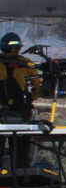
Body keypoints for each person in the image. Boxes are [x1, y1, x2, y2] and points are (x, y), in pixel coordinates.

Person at [0, 32, 41, 169]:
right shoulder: (26, 64)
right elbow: (37, 87)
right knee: (20, 150)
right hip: (20, 111)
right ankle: (21, 176)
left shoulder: (25, 63)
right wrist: (29, 100)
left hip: (8, 110)